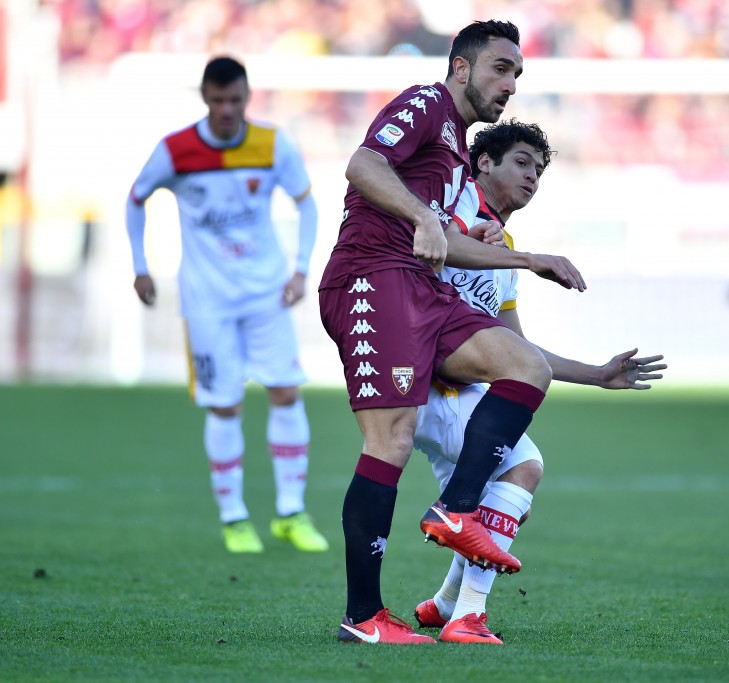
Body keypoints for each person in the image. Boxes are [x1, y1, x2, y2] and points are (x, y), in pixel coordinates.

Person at [319, 20, 586, 645]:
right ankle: (363, 618)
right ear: (461, 68)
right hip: (371, 277)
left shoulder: (459, 154)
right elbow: (362, 164)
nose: (510, 83)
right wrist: (421, 216)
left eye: (517, 73)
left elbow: (453, 246)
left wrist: (527, 259)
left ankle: (457, 506)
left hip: (422, 288)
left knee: (526, 365)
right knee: (393, 439)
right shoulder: (426, 102)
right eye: (501, 68)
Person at [410, 119, 667, 644]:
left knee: (499, 504)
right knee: (524, 468)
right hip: (430, 386)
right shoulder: (454, 208)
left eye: (540, 169)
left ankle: (442, 605)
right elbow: (427, 253)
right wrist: (478, 242)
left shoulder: (502, 247)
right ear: (485, 162)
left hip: (459, 391)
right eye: (522, 163)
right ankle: (467, 617)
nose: (533, 177)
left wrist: (596, 375)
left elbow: (515, 347)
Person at [126, 56, 328, 554]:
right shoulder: (176, 149)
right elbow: (136, 199)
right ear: (205, 98)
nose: (226, 110)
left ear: (247, 97)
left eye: (234, 100)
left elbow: (308, 203)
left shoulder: (272, 143)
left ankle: (290, 512)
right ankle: (235, 518)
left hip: (266, 293)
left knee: (285, 392)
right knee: (225, 404)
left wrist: (301, 268)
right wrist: (141, 266)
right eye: (217, 101)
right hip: (207, 301)